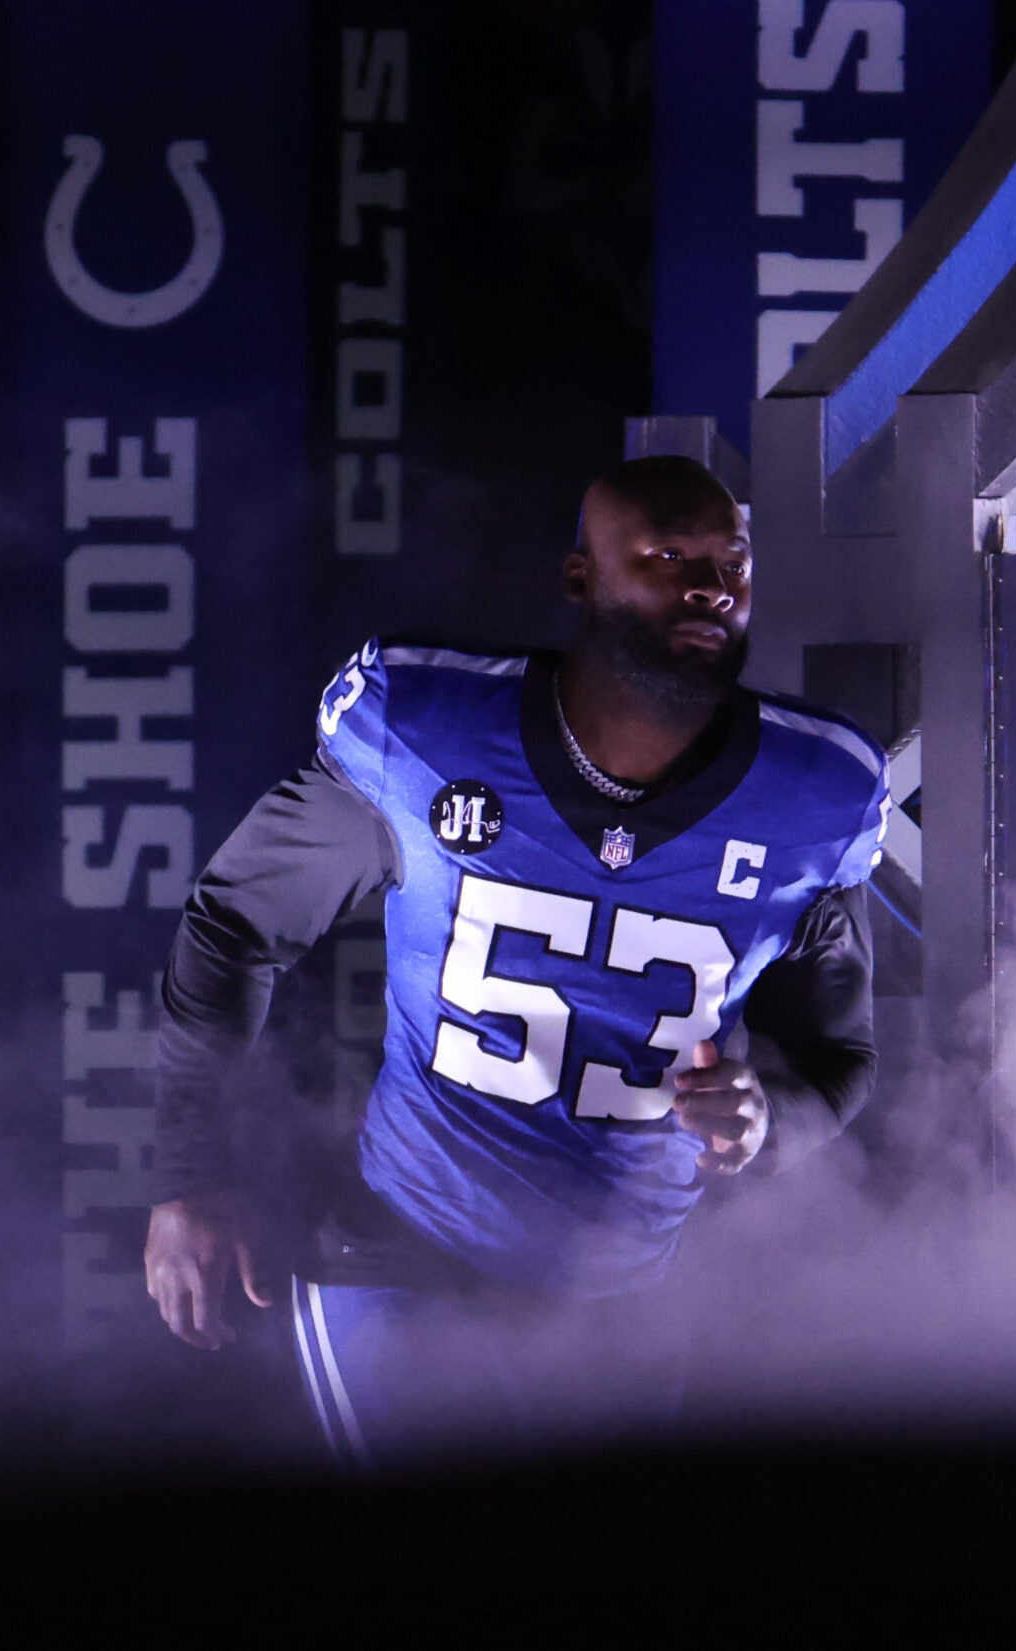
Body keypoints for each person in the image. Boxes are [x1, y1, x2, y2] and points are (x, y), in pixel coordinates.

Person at [140, 454, 890, 1466]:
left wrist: (764, 1121)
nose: (710, 584)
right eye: (669, 555)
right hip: (405, 1253)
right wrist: (190, 1173)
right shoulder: (428, 728)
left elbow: (834, 1052)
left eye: (730, 562)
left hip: (629, 1298)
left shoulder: (815, 790)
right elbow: (236, 926)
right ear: (580, 578)